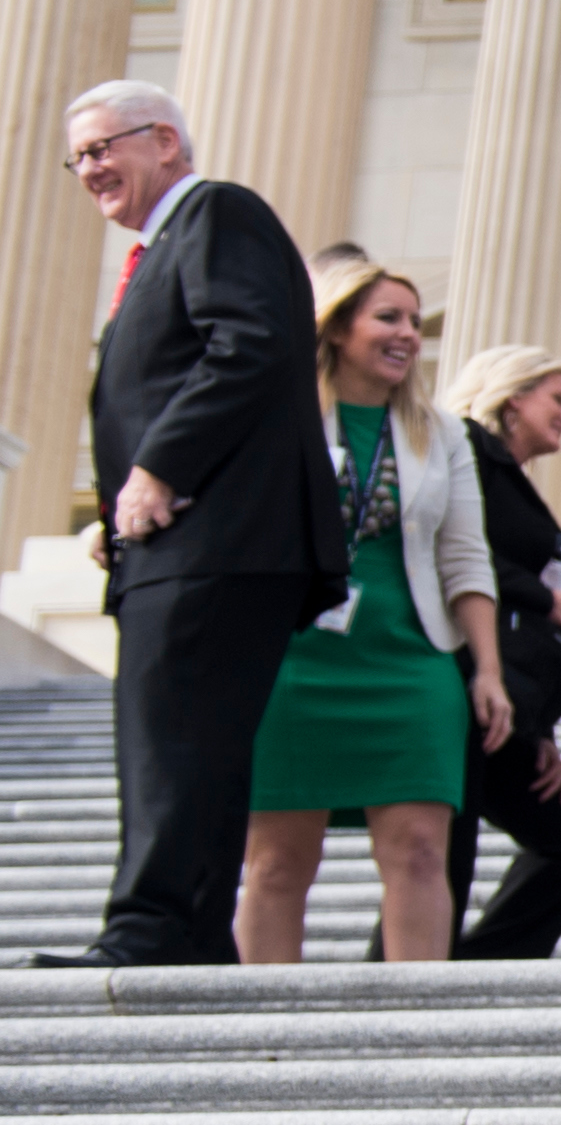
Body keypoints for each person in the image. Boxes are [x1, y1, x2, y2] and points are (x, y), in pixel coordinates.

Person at [41, 81, 343, 970]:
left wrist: (160, 467)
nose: (90, 167)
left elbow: (245, 343)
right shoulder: (160, 244)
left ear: (166, 141)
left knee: (171, 736)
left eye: (105, 146)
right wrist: (121, 507)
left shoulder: (215, 213)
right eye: (80, 156)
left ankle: (148, 928)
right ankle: (191, 935)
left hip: (220, 542)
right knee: (188, 739)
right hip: (187, 540)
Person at [236, 259, 514, 962]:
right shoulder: (278, 418)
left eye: (414, 323)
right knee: (276, 863)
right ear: (335, 327)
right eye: (388, 318)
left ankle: (414, 1036)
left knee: (422, 852)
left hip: (409, 659)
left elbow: (466, 557)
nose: (407, 336)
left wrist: (486, 669)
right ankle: (265, 1042)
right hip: (291, 660)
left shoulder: (443, 432)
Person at [439, 345, 561, 960]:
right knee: (443, 857)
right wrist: (545, 597)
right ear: (513, 396)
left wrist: (542, 734)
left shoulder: (512, 478)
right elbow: (452, 548)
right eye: (558, 400)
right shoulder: (465, 450)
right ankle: (419, 982)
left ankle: (478, 971)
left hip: (511, 702)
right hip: (461, 681)